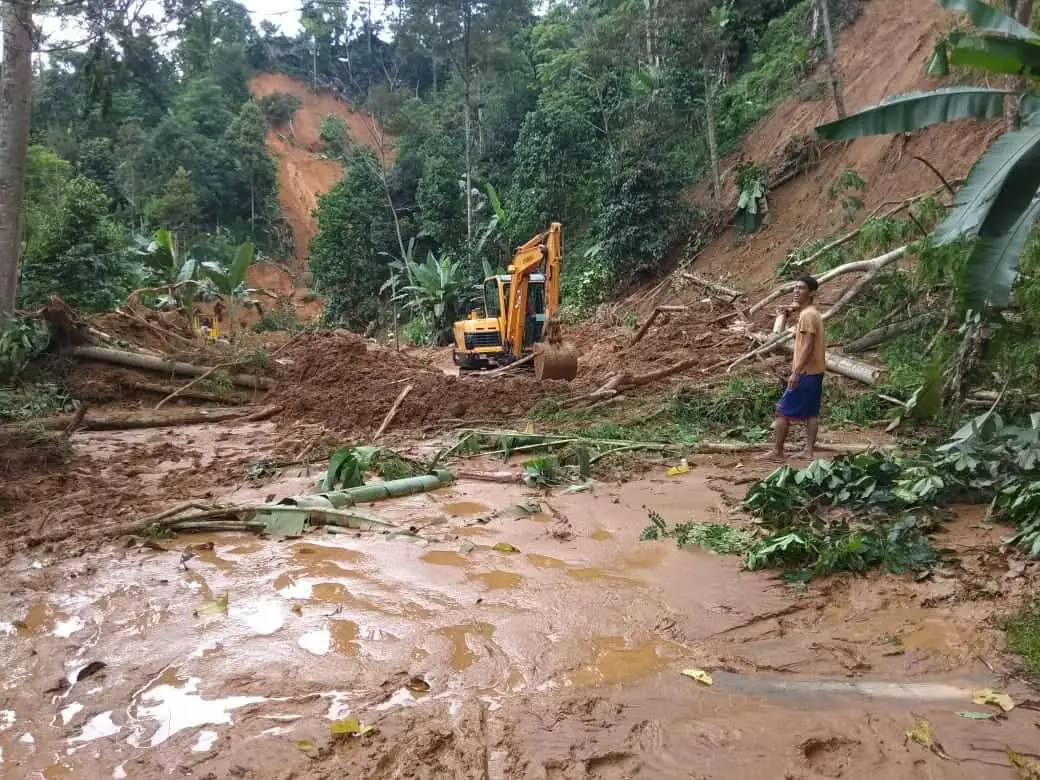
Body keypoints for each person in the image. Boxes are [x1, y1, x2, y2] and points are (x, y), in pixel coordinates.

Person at [760, 274, 826, 462]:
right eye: (795, 288)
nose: (796, 291)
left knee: (782, 411)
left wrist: (796, 371)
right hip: (816, 370)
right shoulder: (812, 312)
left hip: (805, 372)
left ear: (812, 292)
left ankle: (778, 452)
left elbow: (808, 346)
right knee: (811, 413)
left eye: (802, 288)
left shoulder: (807, 316)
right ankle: (808, 451)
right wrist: (790, 309)